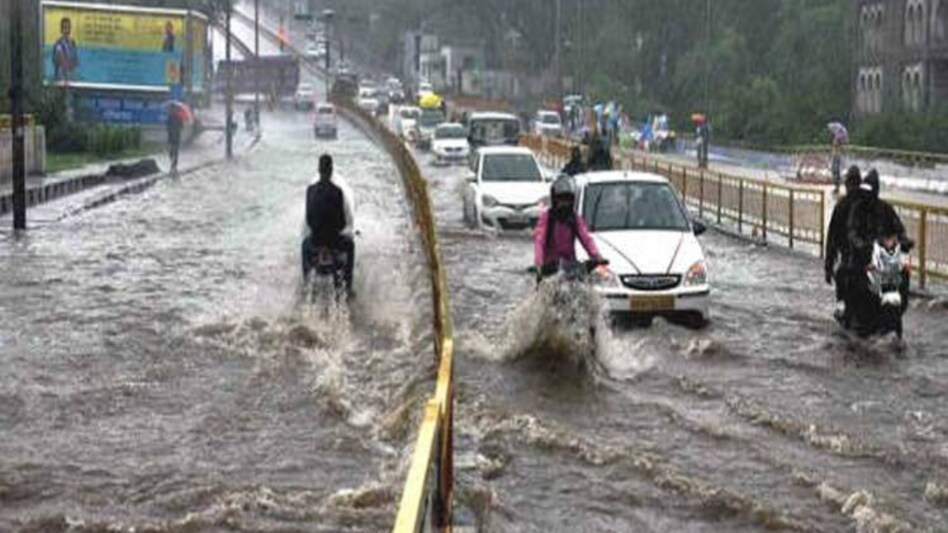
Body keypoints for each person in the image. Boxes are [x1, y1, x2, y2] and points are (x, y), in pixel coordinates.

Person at [302, 154, 356, 294]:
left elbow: (308, 219)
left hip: (316, 240)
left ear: (319, 170)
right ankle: (348, 286)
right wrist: (334, 231)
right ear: (331, 170)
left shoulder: (310, 190)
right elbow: (342, 222)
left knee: (304, 246)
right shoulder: (338, 191)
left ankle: (306, 284)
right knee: (350, 245)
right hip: (334, 241)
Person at [534, 175, 603, 280]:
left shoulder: (575, 219)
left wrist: (596, 256)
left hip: (569, 265)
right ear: (554, 200)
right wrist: (539, 263)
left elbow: (586, 239)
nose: (564, 204)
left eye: (567, 200)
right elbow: (540, 240)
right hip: (549, 267)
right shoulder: (547, 218)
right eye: (561, 200)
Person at [824, 166, 862, 323]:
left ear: (847, 184)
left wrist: (828, 265)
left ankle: (842, 308)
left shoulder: (842, 206)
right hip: (866, 260)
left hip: (850, 260)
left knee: (840, 276)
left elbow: (832, 238)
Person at [53, 17, 79, 82]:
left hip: (70, 74)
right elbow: (58, 60)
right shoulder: (58, 44)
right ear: (61, 29)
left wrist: (73, 64)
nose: (66, 30)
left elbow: (76, 60)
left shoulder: (72, 43)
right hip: (61, 75)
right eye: (65, 28)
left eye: (68, 28)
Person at [166, 104, 184, 172]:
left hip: (176, 136)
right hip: (171, 136)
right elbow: (167, 126)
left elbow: (182, 126)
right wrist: (170, 129)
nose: (173, 110)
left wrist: (176, 129)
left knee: (175, 150)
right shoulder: (169, 117)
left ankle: (174, 164)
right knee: (171, 151)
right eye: (172, 109)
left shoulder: (179, 118)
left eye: (174, 109)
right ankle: (172, 161)